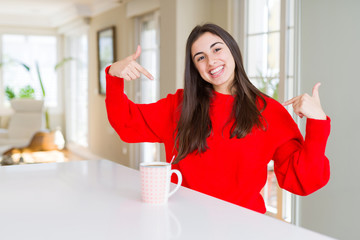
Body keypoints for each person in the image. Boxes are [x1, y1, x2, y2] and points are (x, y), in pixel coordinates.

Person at [105, 23, 330, 214]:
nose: (211, 61)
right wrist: (114, 75)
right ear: (195, 68)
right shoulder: (180, 105)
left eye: (217, 50)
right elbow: (127, 123)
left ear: (232, 50)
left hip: (244, 228)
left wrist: (318, 122)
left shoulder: (269, 111)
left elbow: (302, 181)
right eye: (200, 57)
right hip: (183, 224)